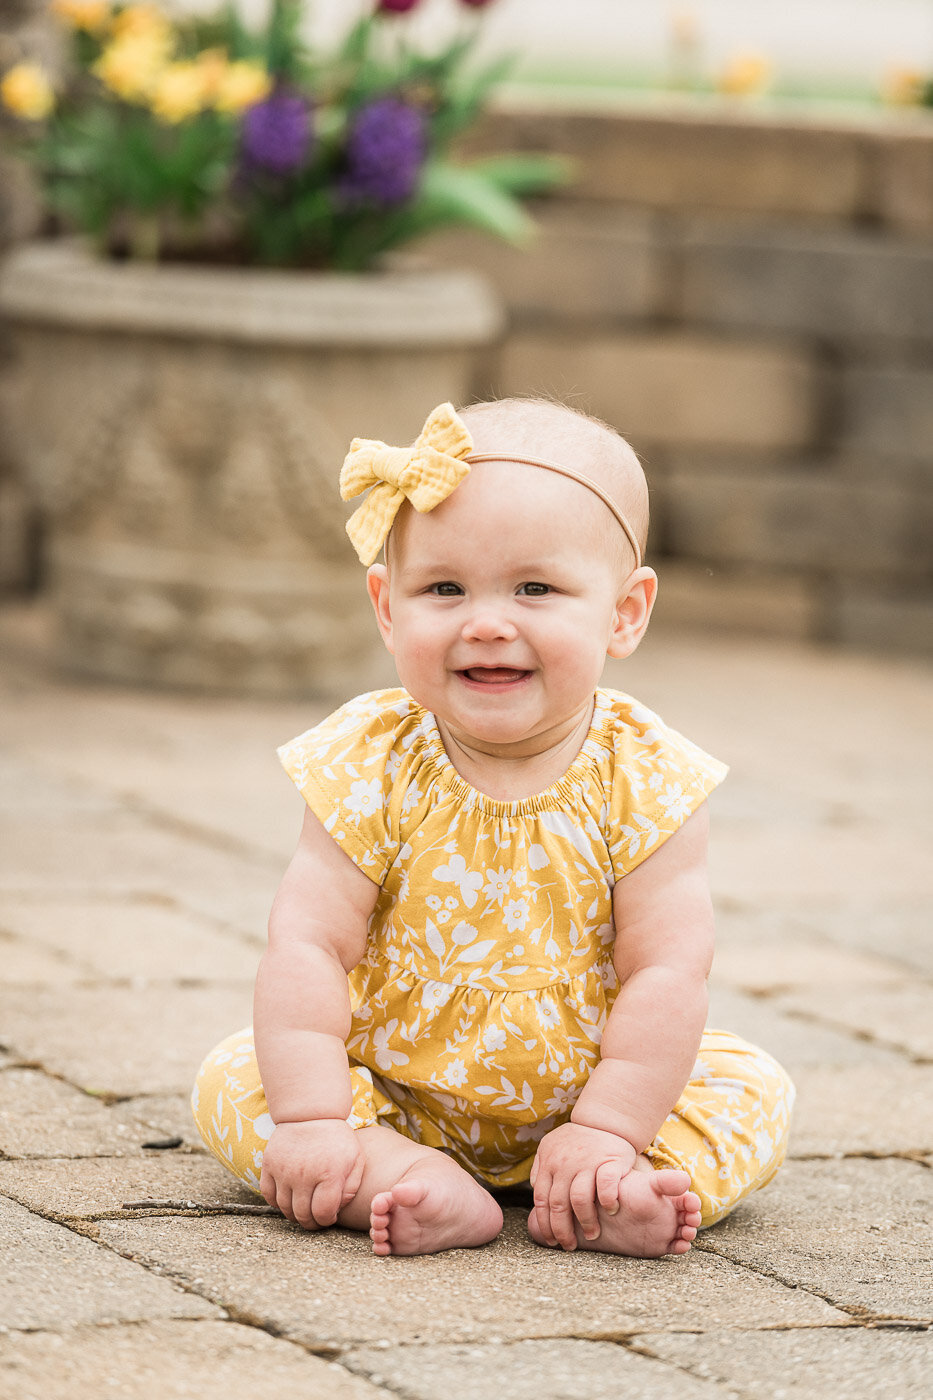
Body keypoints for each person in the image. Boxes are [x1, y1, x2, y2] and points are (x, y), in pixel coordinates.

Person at [191, 397, 794, 1259]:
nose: (485, 621)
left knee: (751, 1090)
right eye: (443, 588)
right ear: (386, 605)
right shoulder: (370, 759)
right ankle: (398, 1174)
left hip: (596, 1083)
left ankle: (611, 1184)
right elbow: (308, 944)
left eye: (534, 588)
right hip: (399, 1084)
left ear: (623, 613)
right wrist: (318, 1116)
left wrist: (612, 1125)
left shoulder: (646, 773)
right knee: (240, 1078)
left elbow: (666, 966)